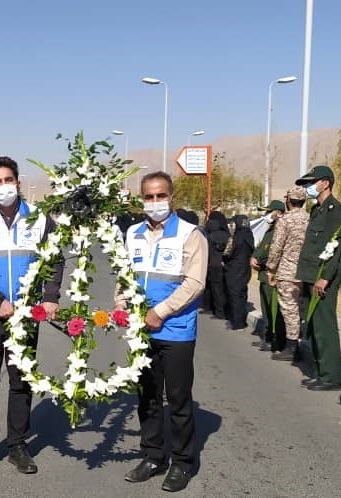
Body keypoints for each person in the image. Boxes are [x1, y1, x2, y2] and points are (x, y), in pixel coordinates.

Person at [0, 156, 63, 477]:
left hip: (25, 316)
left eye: (9, 180)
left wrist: (49, 298)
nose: (4, 186)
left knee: (21, 382)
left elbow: (55, 260)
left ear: (17, 183)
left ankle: (18, 444)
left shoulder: (39, 218)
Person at [119, 171, 208, 493]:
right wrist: (121, 305)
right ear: (141, 199)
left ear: (172, 197)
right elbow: (125, 275)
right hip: (142, 331)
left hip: (176, 330)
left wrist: (160, 312)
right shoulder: (133, 233)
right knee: (148, 396)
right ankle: (153, 455)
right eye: (149, 197)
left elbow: (195, 282)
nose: (154, 202)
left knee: (179, 399)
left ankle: (183, 463)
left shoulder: (190, 234)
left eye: (160, 196)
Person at [294, 165, 341, 391]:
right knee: (314, 325)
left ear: (325, 183)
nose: (308, 187)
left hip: (322, 279)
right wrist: (302, 276)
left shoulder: (335, 210)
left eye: (311, 183)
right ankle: (319, 371)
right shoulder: (317, 210)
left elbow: (335, 247)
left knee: (325, 326)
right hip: (310, 275)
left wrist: (325, 277)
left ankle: (331, 376)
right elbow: (311, 247)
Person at [266, 187, 309, 363]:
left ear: (289, 200)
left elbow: (277, 246)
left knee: (289, 309)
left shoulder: (285, 220)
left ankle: (292, 348)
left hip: (287, 271)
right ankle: (298, 341)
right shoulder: (310, 218)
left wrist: (271, 268)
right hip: (306, 271)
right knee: (300, 309)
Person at [250, 200, 285, 352]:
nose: (266, 215)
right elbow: (261, 247)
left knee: (273, 309)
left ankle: (275, 339)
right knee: (266, 309)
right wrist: (254, 257)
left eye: (268, 212)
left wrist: (259, 259)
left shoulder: (280, 229)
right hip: (264, 274)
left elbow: (272, 251)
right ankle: (268, 337)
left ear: (277, 212)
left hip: (273, 274)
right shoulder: (270, 229)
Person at [224, 214, 254, 330]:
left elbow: (227, 253)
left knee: (234, 295)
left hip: (234, 268)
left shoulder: (235, 238)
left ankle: (237, 322)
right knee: (242, 293)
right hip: (246, 268)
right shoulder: (249, 236)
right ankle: (242, 319)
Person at [202, 211, 230, 319]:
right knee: (223, 288)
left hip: (213, 265)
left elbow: (207, 251)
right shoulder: (227, 235)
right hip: (225, 264)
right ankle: (224, 310)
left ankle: (218, 312)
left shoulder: (210, 236)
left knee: (215, 289)